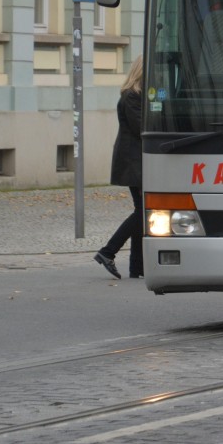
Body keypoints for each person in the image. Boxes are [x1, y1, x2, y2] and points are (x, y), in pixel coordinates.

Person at [95, 56, 145, 280]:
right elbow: (140, 128)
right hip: (133, 161)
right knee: (143, 212)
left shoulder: (135, 95)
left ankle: (137, 267)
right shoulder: (132, 96)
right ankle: (108, 252)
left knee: (141, 212)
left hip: (135, 161)